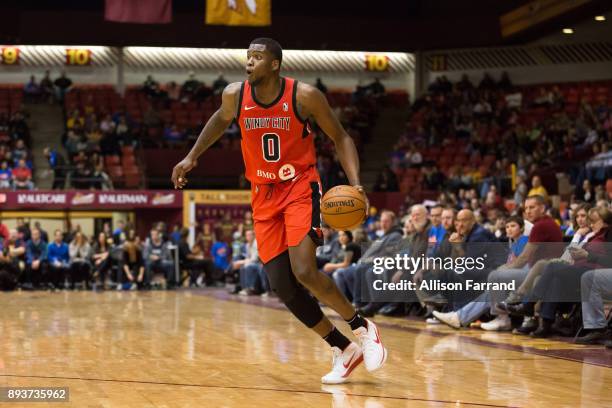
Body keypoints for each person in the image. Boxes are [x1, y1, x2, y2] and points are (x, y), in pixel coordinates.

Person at [171, 37, 386, 384]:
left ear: (275, 64)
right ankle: (342, 349)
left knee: (303, 269)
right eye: (248, 57)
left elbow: (341, 137)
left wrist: (356, 182)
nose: (250, 62)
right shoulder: (234, 95)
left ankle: (362, 328)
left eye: (257, 57)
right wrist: (192, 156)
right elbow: (218, 120)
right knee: (283, 286)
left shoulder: (304, 96)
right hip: (263, 195)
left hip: (300, 187)